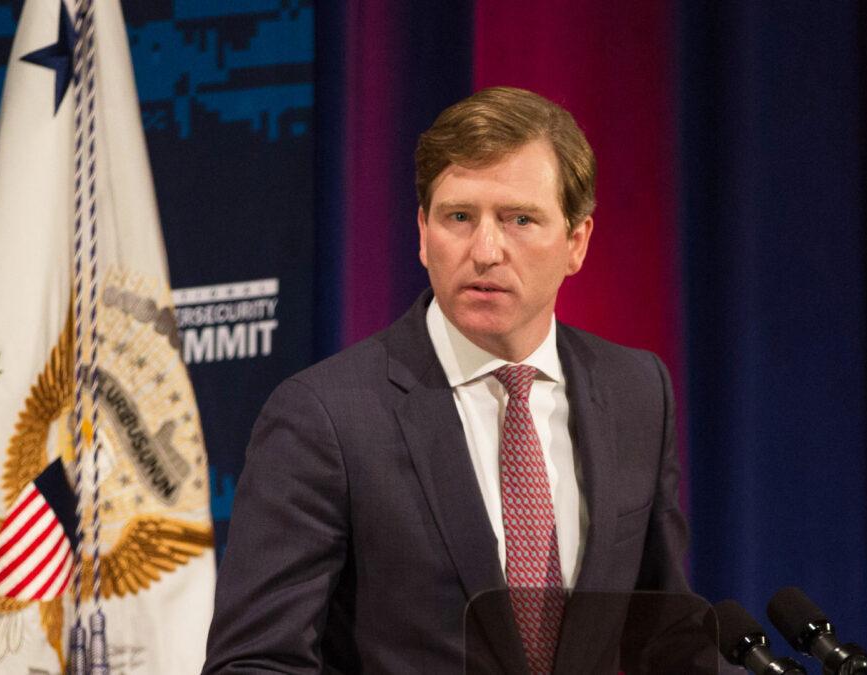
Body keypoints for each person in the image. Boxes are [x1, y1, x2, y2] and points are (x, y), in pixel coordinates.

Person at [203, 87, 693, 674]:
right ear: (422, 232)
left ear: (576, 242)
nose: (485, 250)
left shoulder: (637, 390)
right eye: (459, 217)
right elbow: (256, 663)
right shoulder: (327, 416)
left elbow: (666, 635)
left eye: (519, 219)